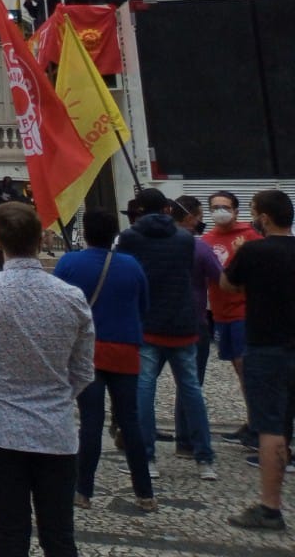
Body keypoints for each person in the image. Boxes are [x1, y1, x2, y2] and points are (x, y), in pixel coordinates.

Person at [0, 201, 94, 557]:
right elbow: (83, 370)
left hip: (1, 427)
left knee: (10, 533)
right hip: (56, 428)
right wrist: (59, 396)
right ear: (40, 238)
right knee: (59, 536)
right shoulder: (71, 297)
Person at [53, 208, 154, 512]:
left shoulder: (69, 263)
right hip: (125, 348)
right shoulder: (131, 265)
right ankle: (145, 492)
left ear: (85, 232)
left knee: (91, 421)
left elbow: (55, 305)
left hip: (88, 350)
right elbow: (144, 305)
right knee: (130, 420)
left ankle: (83, 490)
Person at [116, 186, 219, 479]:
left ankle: (147, 458)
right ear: (167, 210)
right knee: (191, 390)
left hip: (148, 321)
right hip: (183, 320)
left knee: (144, 391)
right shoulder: (185, 239)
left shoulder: (130, 238)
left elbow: (126, 274)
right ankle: (204, 458)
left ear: (138, 210)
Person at [222, 188, 295, 531]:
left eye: (252, 212)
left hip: (267, 347)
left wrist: (237, 252)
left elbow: (228, 285)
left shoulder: (252, 251)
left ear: (264, 218)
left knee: (271, 427)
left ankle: (270, 509)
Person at [204, 190, 261, 446]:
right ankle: (252, 421)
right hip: (220, 313)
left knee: (248, 370)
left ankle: (258, 426)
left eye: (225, 207)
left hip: (244, 312)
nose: (220, 211)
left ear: (236, 211)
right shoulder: (207, 239)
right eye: (215, 207)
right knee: (239, 371)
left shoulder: (250, 237)